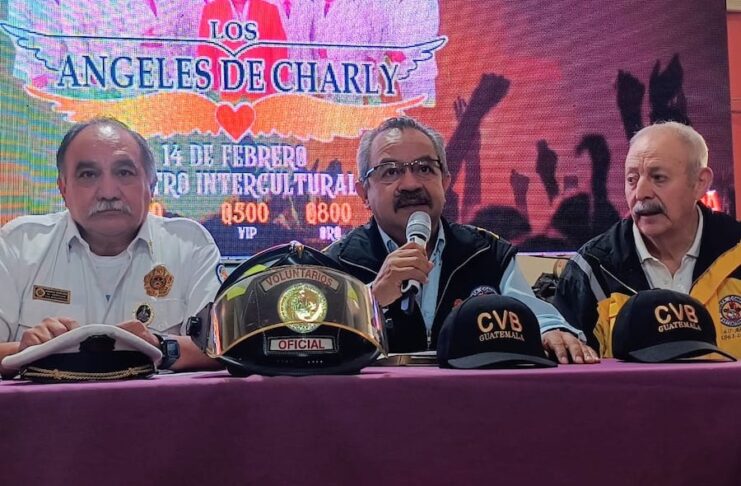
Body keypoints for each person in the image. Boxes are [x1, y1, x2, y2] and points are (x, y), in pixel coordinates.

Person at [324, 116, 598, 363]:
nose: (411, 184)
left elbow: (536, 314)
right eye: (391, 171)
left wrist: (552, 330)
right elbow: (317, 343)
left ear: (445, 182)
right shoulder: (335, 264)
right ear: (363, 193)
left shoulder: (486, 253)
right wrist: (371, 300)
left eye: (424, 168)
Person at [0, 118, 222, 376]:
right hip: (49, 402)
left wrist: (159, 346)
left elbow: (225, 347)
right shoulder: (19, 245)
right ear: (63, 189)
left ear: (151, 186)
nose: (108, 192)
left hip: (158, 403)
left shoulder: (190, 245)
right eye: (88, 175)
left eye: (124, 173)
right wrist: (24, 351)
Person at [554, 121, 741, 357]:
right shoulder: (592, 269)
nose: (641, 193)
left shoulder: (735, 251)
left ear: (699, 182)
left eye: (658, 178)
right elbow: (571, 372)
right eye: (632, 180)